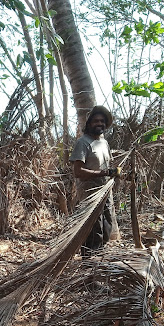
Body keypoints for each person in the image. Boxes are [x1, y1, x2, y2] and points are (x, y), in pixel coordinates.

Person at [69, 105, 119, 257]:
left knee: (106, 227)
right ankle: (89, 266)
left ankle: (99, 262)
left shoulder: (104, 143)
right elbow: (78, 172)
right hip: (90, 194)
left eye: (103, 121)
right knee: (93, 230)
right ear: (89, 123)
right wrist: (103, 173)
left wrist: (118, 173)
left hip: (105, 192)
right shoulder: (83, 143)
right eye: (96, 121)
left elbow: (109, 166)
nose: (100, 124)